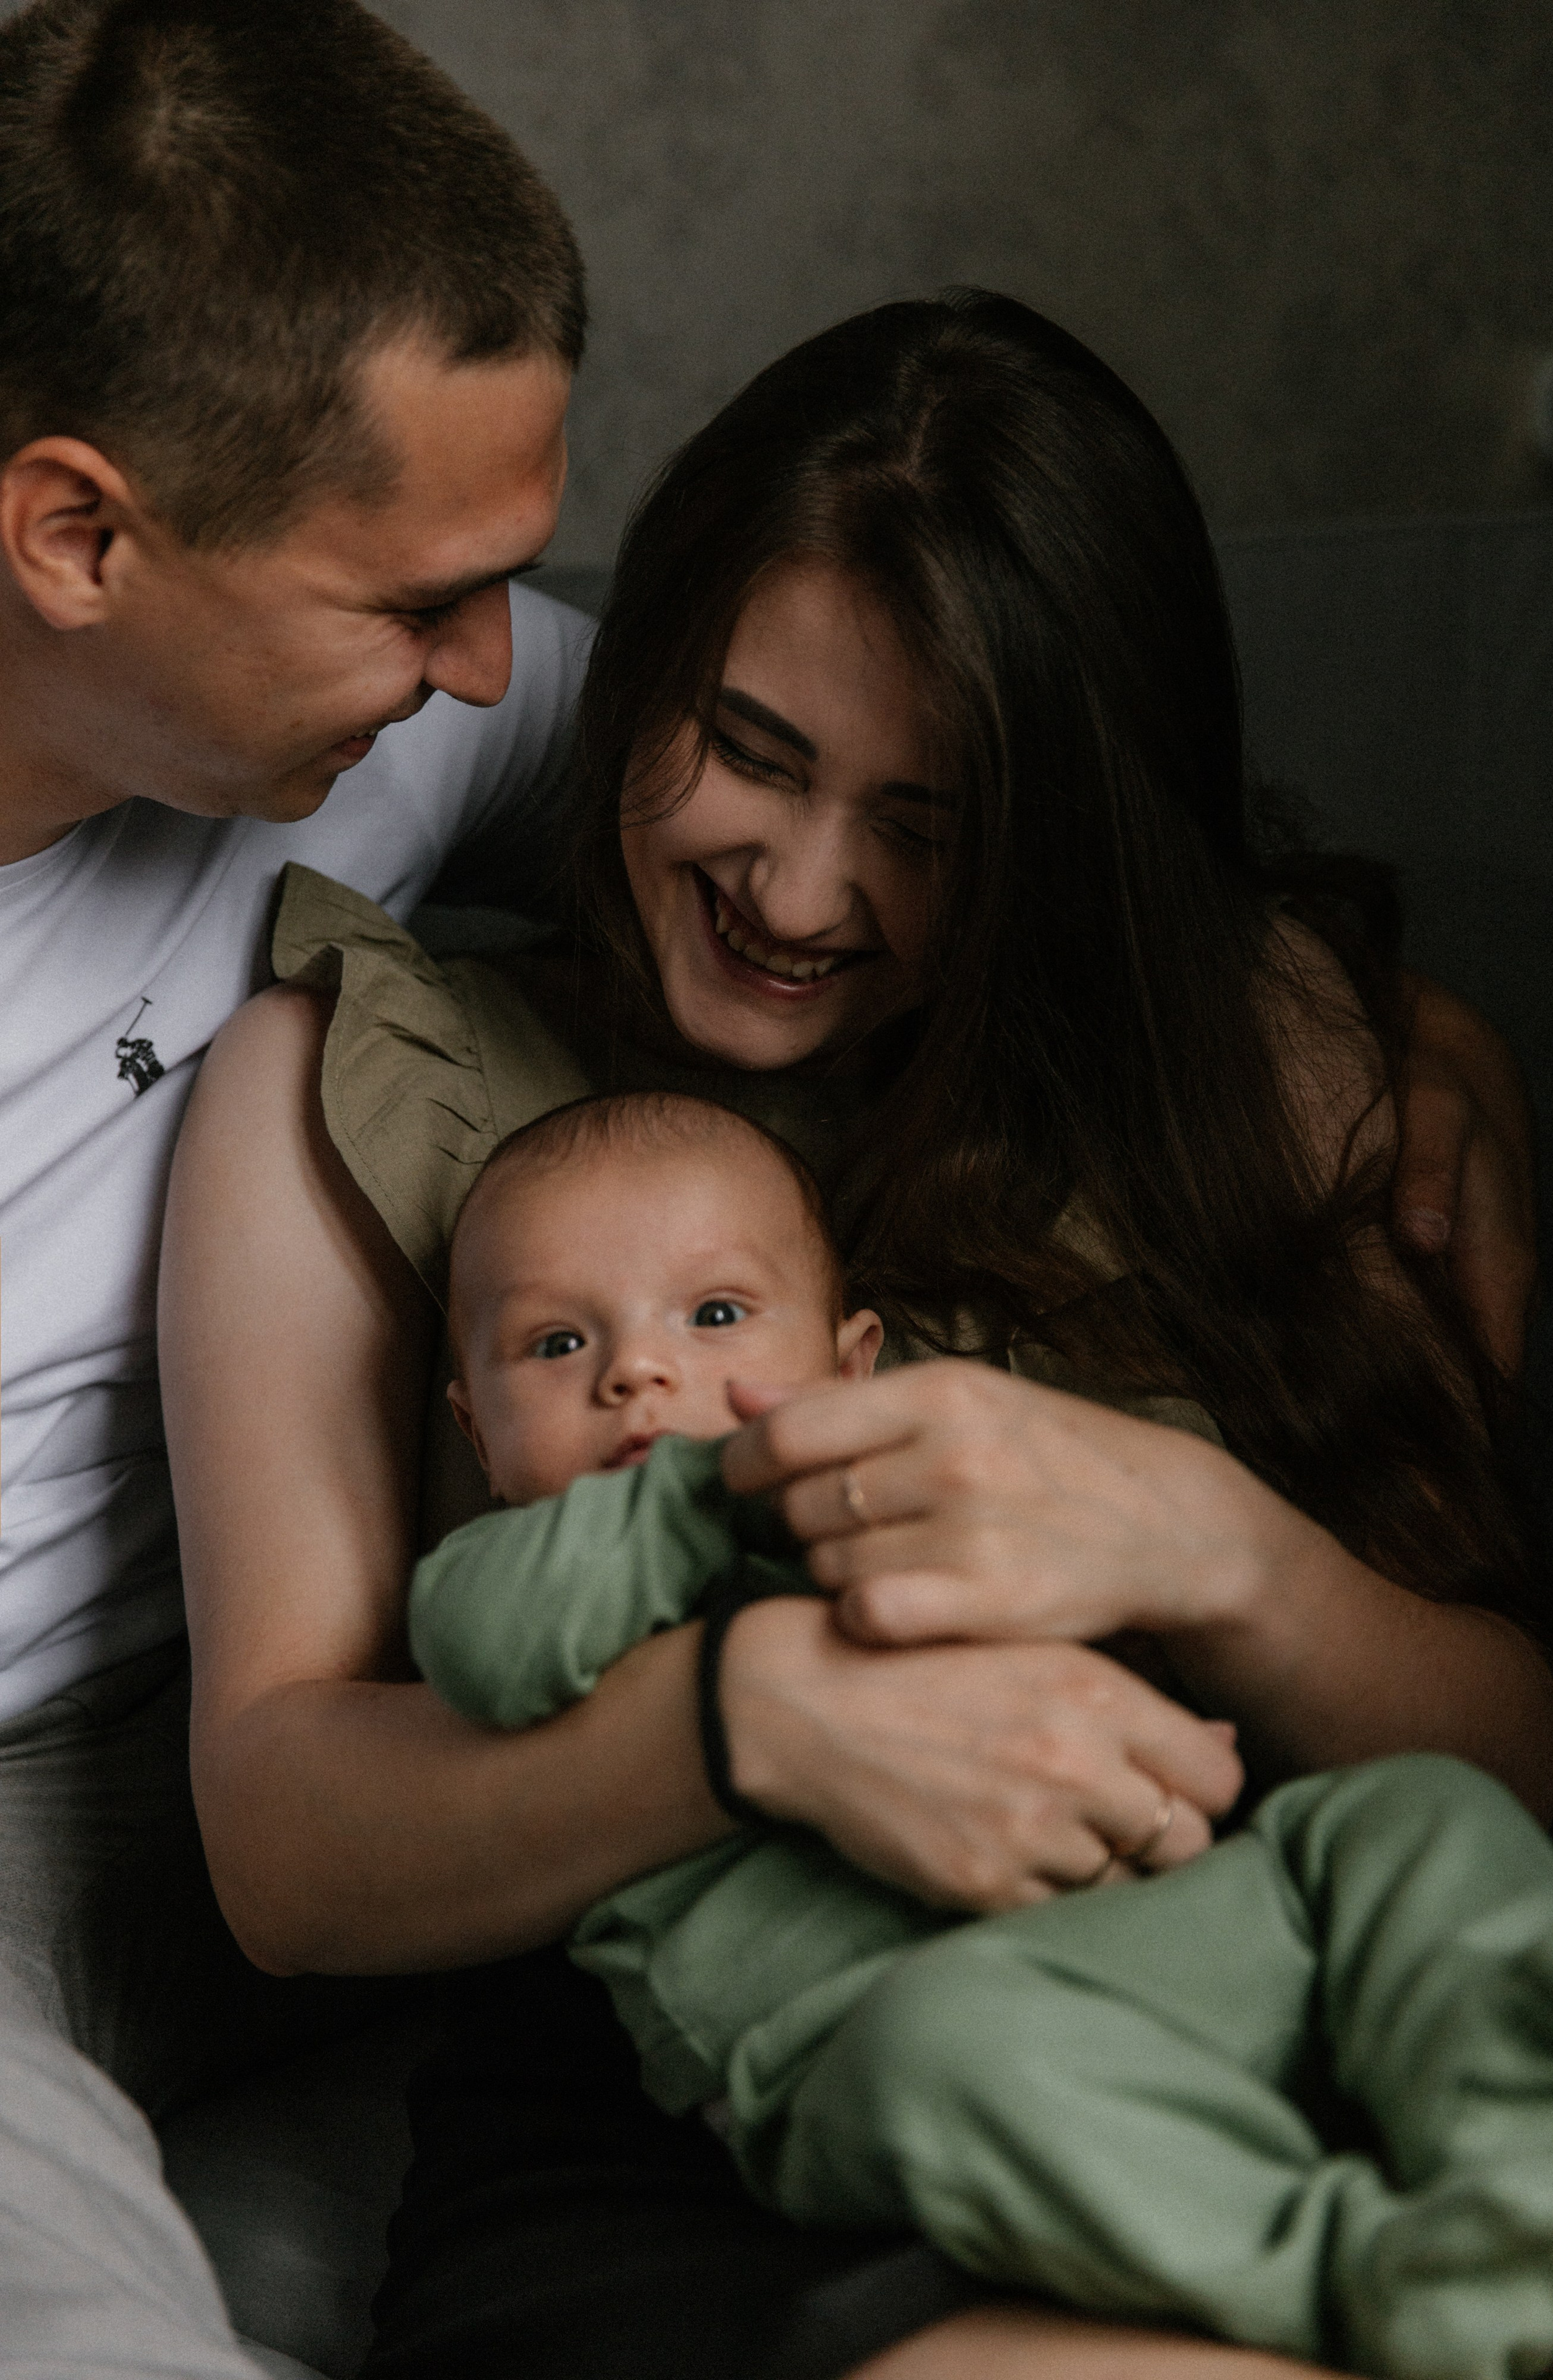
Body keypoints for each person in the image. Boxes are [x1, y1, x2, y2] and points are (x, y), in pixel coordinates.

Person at [161, 289, 1553, 2380]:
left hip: (1270, 1992)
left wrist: (1214, 1546)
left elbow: (1513, 1775)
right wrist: (746, 1716)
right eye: (751, 750)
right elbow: (282, 1851)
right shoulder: (356, 1085)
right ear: (641, 668)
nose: (802, 893)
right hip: (725, 2122)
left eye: (927, 828)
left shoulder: (1239, 1063)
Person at [413, 1087, 1553, 2380]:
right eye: (555, 1346)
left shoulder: (921, 1488)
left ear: (852, 1365)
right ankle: (1376, 2275)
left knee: (1410, 1817)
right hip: (905, 2042)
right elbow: (480, 1645)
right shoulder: (509, 1582)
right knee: (945, 2054)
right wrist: (718, 1477)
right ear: (475, 1427)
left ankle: (1521, 2164)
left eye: (714, 1317)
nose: (638, 1372)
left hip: (1194, 1916)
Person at [0, 0, 589, 2367]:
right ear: (75, 534)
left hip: (340, 1692)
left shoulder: (397, 704)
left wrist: (1328, 990)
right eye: (411, 599)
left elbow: (860, 794)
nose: (483, 673)